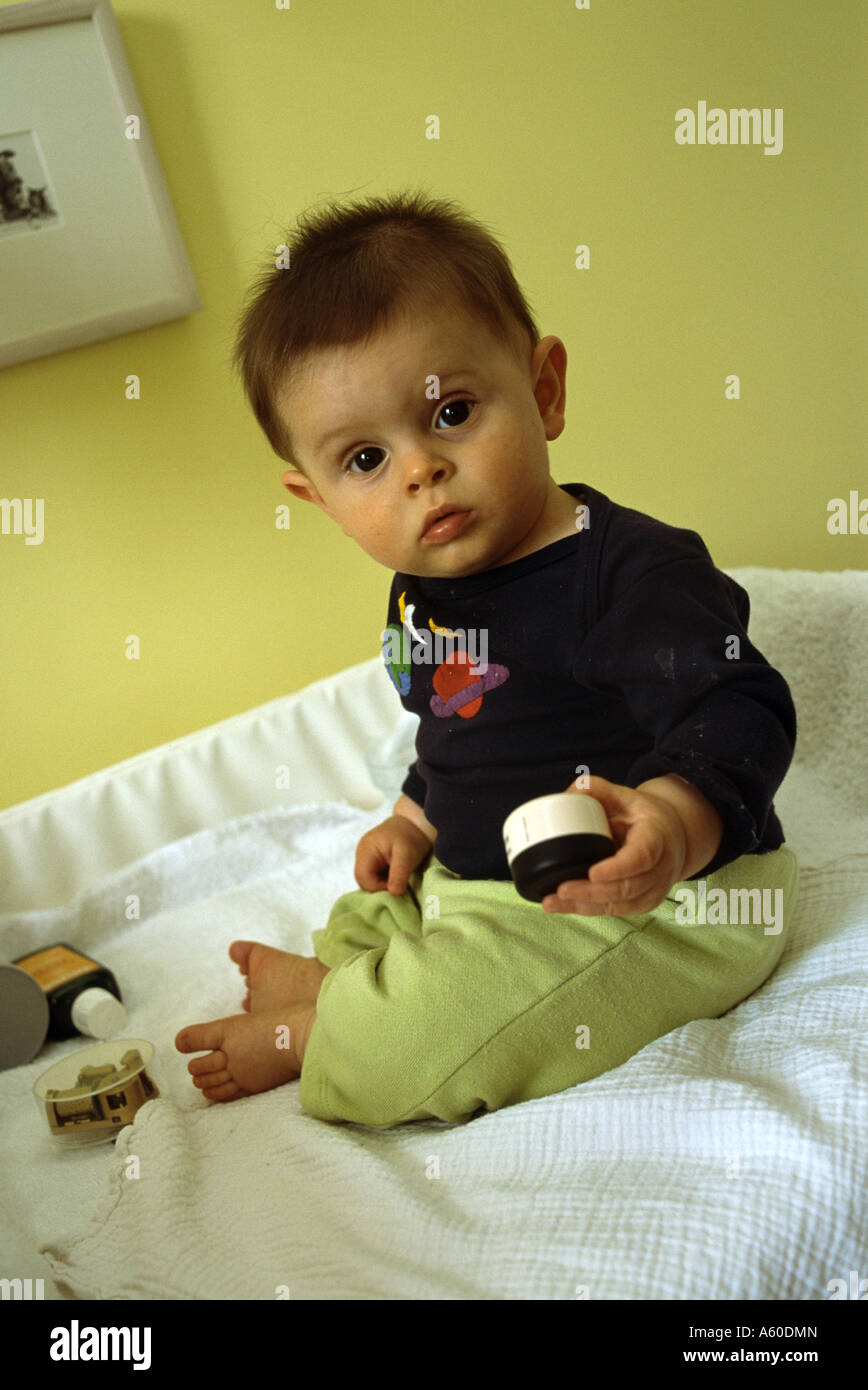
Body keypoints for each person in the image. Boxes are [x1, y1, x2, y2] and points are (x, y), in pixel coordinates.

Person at [175, 191, 799, 1128]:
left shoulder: (625, 571)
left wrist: (672, 825)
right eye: (365, 461)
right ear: (317, 498)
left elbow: (740, 705)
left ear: (543, 390)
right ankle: (347, 975)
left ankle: (324, 1032)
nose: (419, 469)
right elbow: (457, 726)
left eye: (453, 412)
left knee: (445, 1018)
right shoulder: (423, 590)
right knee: (375, 909)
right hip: (481, 884)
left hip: (653, 901)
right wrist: (414, 819)